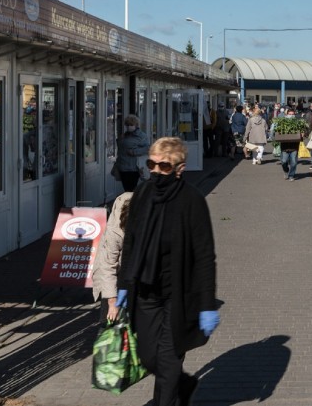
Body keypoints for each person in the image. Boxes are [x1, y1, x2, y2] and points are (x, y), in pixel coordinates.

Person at [115, 137, 218, 406]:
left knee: (169, 360)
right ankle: (184, 385)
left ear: (180, 169)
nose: (156, 171)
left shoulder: (192, 201)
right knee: (149, 357)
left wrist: (207, 304)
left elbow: (206, 256)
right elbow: (131, 241)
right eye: (152, 164)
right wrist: (124, 283)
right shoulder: (143, 194)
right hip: (146, 290)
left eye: (164, 167)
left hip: (180, 294)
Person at [91, 191, 133, 323]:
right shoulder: (115, 232)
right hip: (115, 273)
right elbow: (108, 266)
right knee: (110, 320)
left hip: (134, 276)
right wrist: (112, 301)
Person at [115, 114, 150, 192]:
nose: (128, 127)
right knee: (127, 189)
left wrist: (134, 152)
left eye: (131, 124)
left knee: (131, 189)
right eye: (127, 125)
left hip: (133, 168)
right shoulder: (124, 135)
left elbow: (147, 148)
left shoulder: (142, 136)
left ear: (136, 125)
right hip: (123, 167)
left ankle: (132, 203)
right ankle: (130, 202)